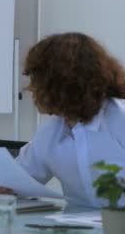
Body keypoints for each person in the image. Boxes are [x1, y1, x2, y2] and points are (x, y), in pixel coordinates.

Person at [16, 32, 125, 208]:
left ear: (61, 83)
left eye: (37, 79)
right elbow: (17, 180)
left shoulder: (120, 118)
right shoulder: (49, 133)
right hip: (78, 232)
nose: (30, 88)